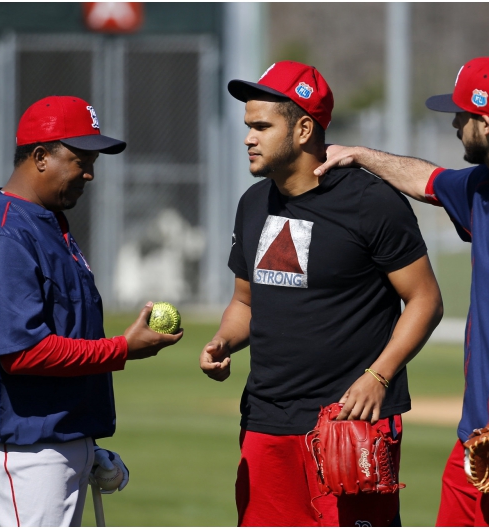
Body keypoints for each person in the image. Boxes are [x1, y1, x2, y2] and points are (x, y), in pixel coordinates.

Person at [314, 57, 489, 526]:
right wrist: (359, 154)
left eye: (460, 116)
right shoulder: (486, 187)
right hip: (477, 440)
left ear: (486, 124)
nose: (454, 125)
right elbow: (427, 181)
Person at [198, 61, 444, 527]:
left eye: (262, 127)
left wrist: (379, 376)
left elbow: (426, 300)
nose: (248, 138)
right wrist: (223, 341)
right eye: (248, 126)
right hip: (265, 420)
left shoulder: (371, 202)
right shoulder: (253, 203)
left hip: (348, 424)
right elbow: (245, 302)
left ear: (304, 129)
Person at [0, 95, 183, 527]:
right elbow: (23, 353)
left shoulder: (46, 221)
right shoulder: (4, 237)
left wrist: (82, 444)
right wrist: (121, 349)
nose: (90, 173)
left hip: (55, 438)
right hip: (25, 448)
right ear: (41, 157)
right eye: (81, 160)